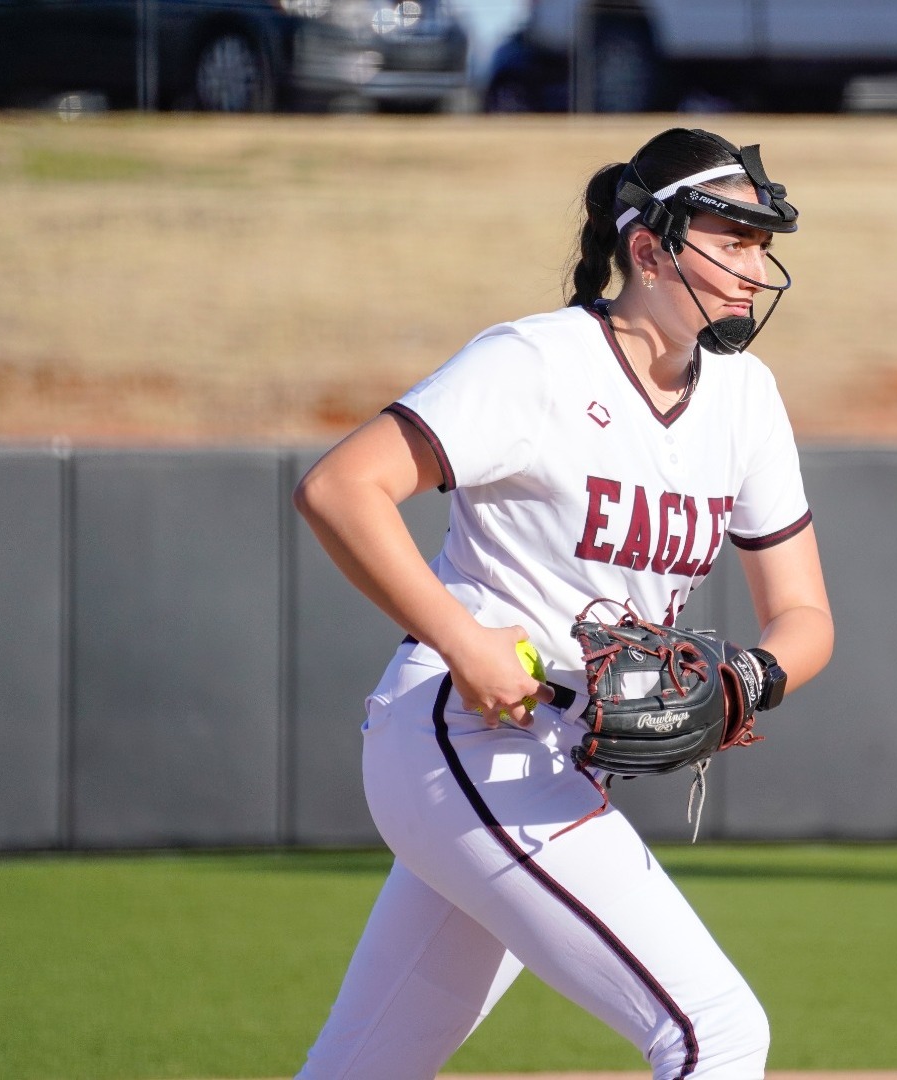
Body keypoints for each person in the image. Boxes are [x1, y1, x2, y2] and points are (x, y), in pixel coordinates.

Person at [290, 127, 835, 1079]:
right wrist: (464, 639)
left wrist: (747, 680)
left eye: (763, 241)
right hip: (467, 734)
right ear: (650, 246)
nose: (757, 265)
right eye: (733, 238)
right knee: (715, 1031)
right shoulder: (537, 363)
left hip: (558, 762)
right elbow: (342, 488)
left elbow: (805, 616)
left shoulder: (746, 397)